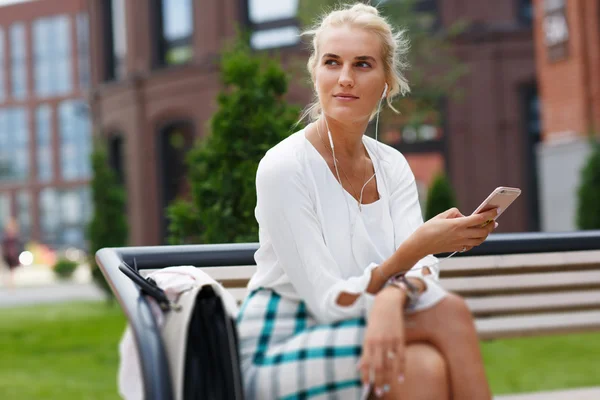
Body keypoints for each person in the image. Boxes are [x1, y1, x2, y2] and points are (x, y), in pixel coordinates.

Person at [236, 3, 497, 399]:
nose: (345, 79)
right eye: (332, 62)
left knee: (422, 368)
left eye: (362, 65)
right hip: (284, 339)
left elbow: (425, 268)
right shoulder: (284, 167)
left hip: (367, 318)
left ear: (386, 81)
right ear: (315, 72)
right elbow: (327, 302)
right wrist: (409, 256)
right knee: (448, 314)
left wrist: (394, 294)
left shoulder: (391, 164)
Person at [1, 218, 21, 289]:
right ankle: (9, 283)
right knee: (7, 269)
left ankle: (11, 283)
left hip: (13, 254)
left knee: (11, 270)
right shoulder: (6, 236)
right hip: (7, 254)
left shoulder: (14, 235)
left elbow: (18, 245)